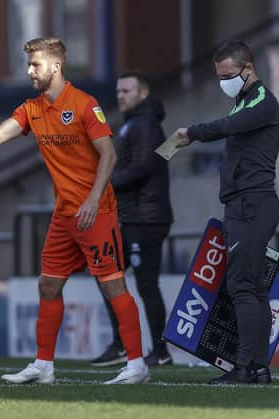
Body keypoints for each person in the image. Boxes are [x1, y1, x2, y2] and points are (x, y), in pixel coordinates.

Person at [0, 37, 149, 385]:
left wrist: (94, 200)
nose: (29, 71)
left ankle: (137, 365)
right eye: (29, 65)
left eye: (35, 64)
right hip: (64, 215)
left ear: (56, 66)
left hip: (96, 213)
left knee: (114, 286)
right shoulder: (31, 109)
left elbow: (109, 155)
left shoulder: (84, 104)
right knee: (48, 286)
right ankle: (44, 366)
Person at [175, 39, 279, 385]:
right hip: (243, 204)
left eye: (228, 75)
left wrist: (192, 133)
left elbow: (228, 127)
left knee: (242, 286)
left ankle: (244, 367)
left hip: (253, 204)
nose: (224, 82)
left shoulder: (263, 102)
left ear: (247, 69)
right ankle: (258, 368)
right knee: (253, 287)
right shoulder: (244, 100)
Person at [91, 72, 174, 367]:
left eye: (127, 90)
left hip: (146, 218)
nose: (121, 96)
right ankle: (124, 345)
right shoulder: (134, 123)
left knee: (145, 284)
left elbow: (141, 169)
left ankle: (159, 352)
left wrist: (103, 184)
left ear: (143, 92)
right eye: (118, 91)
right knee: (108, 276)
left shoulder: (144, 124)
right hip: (133, 216)